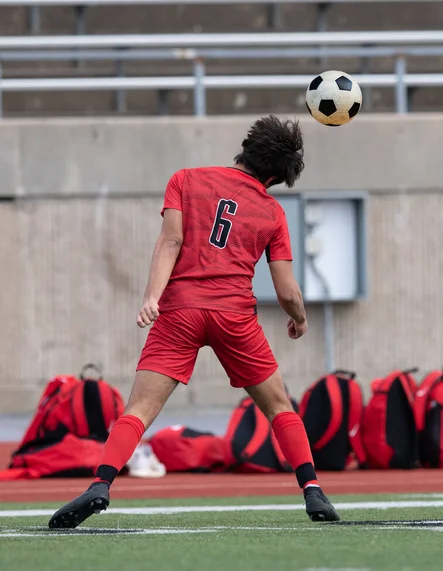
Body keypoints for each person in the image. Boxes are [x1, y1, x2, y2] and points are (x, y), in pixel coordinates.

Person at [49, 115, 339, 528]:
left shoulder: (185, 179)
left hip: (180, 311)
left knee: (139, 410)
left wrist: (151, 297)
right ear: (275, 176)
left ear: (247, 147)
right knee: (279, 407)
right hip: (234, 315)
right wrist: (300, 319)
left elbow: (170, 240)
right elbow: (287, 290)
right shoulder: (272, 212)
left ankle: (100, 483)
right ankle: (314, 492)